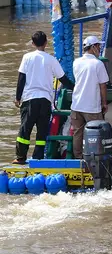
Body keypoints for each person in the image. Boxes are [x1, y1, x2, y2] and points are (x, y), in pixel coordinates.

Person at [14, 31, 65, 163]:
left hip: (30, 99)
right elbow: (63, 78)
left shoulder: (27, 57)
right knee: (42, 131)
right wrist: (76, 88)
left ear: (32, 43)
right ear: (46, 43)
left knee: (25, 129)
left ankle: (21, 157)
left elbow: (21, 78)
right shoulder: (51, 60)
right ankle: (38, 157)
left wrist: (18, 97)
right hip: (45, 100)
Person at [70, 35, 109, 159]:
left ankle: (78, 158)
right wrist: (104, 103)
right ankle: (96, 158)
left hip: (76, 105)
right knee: (96, 133)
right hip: (91, 107)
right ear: (93, 47)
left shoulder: (76, 62)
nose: (99, 48)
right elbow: (103, 86)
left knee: (78, 133)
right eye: (98, 46)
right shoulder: (98, 64)